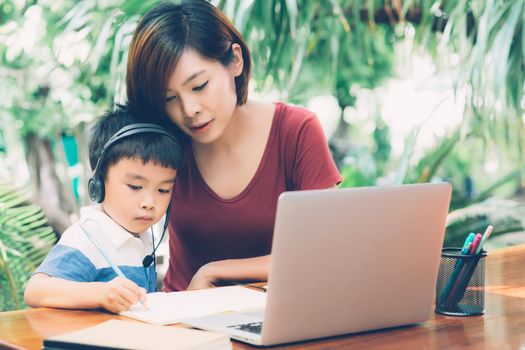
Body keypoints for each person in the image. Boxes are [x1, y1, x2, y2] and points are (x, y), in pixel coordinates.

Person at [126, 0, 342, 292]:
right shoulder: (165, 143)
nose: (189, 110)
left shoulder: (296, 131)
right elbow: (106, 226)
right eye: (169, 98)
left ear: (235, 61)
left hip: (277, 319)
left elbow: (324, 251)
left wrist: (214, 272)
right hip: (187, 320)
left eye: (199, 86)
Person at [24, 104, 182, 313]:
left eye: (163, 190)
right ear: (98, 184)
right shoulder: (89, 236)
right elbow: (35, 291)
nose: (149, 202)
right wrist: (100, 294)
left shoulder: (142, 235)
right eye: (135, 187)